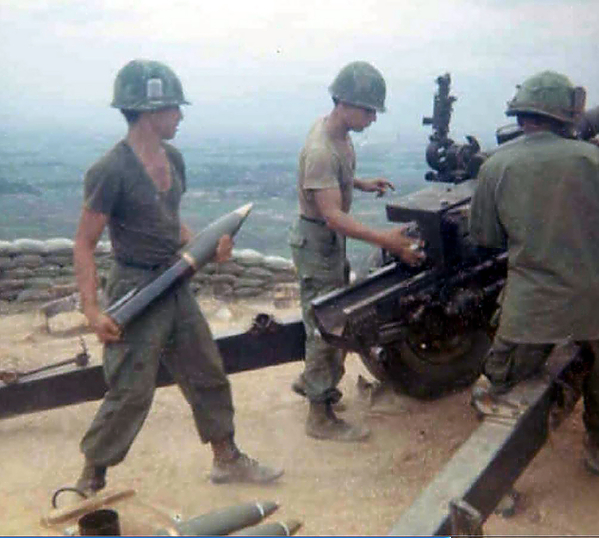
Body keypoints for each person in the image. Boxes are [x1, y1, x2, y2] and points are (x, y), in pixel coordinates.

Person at [73, 59, 283, 493]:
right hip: (136, 290)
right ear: (149, 112)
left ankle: (226, 458)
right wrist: (93, 310)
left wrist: (207, 246)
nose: (181, 117)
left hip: (174, 282)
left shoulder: (174, 159)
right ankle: (92, 476)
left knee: (206, 369)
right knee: (131, 390)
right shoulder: (110, 171)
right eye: (173, 109)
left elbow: (171, 223)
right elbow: (84, 243)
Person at [469, 70, 599, 473]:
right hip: (592, 303)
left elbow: (486, 237)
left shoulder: (495, 166)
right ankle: (596, 449)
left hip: (530, 311)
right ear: (567, 116)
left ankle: (496, 476)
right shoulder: (593, 160)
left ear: (522, 114)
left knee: (498, 387)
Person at [289, 61, 424, 442]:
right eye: (368, 110)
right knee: (326, 324)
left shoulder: (337, 135)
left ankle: (310, 382)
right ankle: (320, 414)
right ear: (344, 104)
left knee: (326, 312)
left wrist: (361, 184)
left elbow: (332, 184)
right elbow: (332, 216)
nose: (372, 118)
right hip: (319, 240)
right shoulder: (321, 149)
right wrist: (388, 241)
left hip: (325, 240)